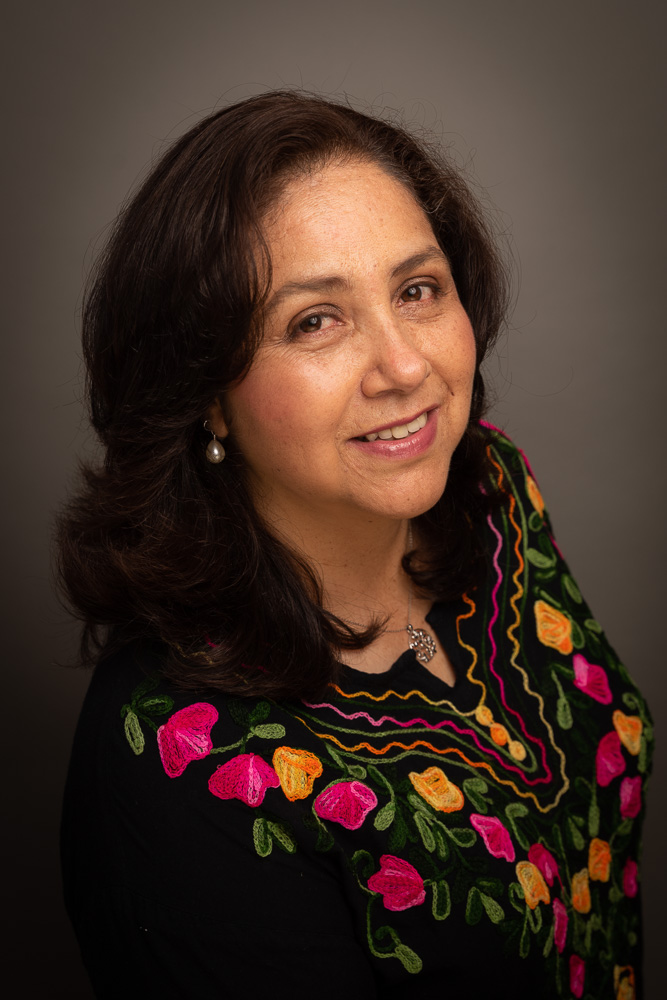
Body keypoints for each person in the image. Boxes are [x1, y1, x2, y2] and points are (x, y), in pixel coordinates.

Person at [59, 91, 652, 999]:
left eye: (417, 290)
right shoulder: (178, 763)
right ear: (205, 393)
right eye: (315, 321)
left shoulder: (491, 496)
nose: (406, 366)